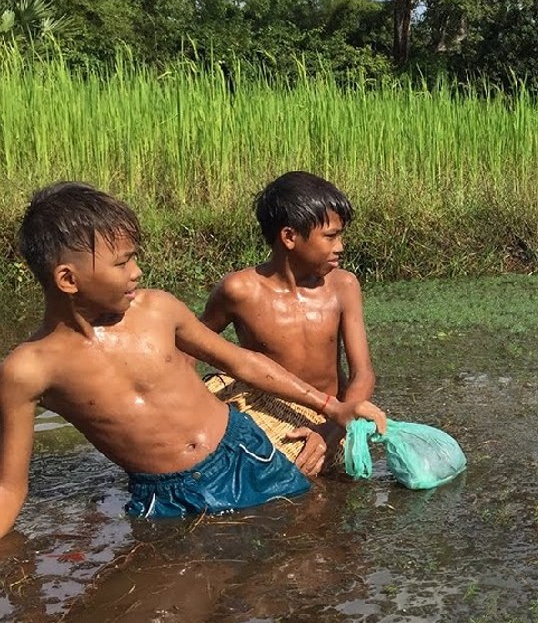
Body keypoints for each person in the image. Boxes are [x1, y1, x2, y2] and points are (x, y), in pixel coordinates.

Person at [0, 182, 387, 539]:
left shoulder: (158, 309)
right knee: (192, 574)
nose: (137, 272)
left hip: (245, 449)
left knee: (303, 536)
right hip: (167, 493)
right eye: (122, 264)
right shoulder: (27, 371)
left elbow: (245, 364)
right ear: (68, 280)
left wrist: (332, 409)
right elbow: (9, 488)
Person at [201, 171, 374, 472]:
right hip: (271, 415)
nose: (340, 247)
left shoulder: (343, 286)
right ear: (290, 237)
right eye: (331, 236)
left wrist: (332, 430)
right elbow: (192, 344)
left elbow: (363, 374)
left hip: (331, 416)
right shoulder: (239, 291)